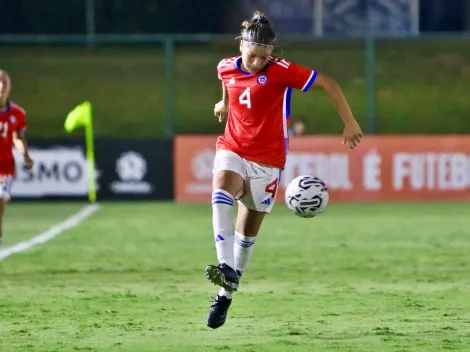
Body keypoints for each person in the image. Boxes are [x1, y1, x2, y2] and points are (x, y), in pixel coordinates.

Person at [205, 11, 363, 329]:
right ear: (241, 48)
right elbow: (227, 80)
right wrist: (224, 103)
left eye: (264, 57)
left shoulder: (281, 71)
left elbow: (328, 83)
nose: (258, 63)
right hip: (233, 147)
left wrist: (350, 121)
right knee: (221, 187)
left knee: (246, 235)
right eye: (253, 57)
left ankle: (225, 296)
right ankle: (224, 265)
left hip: (268, 161)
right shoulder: (226, 66)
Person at [0, 70, 34, 246]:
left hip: (4, 166)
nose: (1, 87)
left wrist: (26, 156)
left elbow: (18, 138)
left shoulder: (18, 114)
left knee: (0, 198)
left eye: (4, 83)